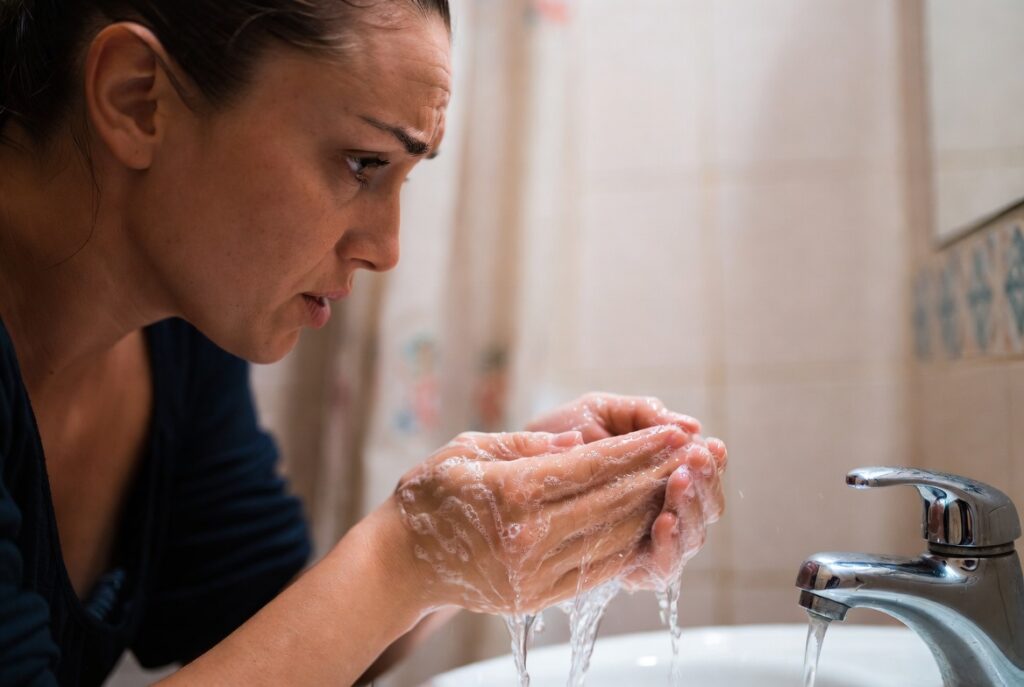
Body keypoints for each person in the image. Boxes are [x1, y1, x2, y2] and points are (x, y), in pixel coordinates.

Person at [0, 0, 727, 684]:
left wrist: (499, 525)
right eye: (364, 163)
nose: (387, 250)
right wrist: (406, 552)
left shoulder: (181, 343)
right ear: (137, 98)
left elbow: (279, 640)